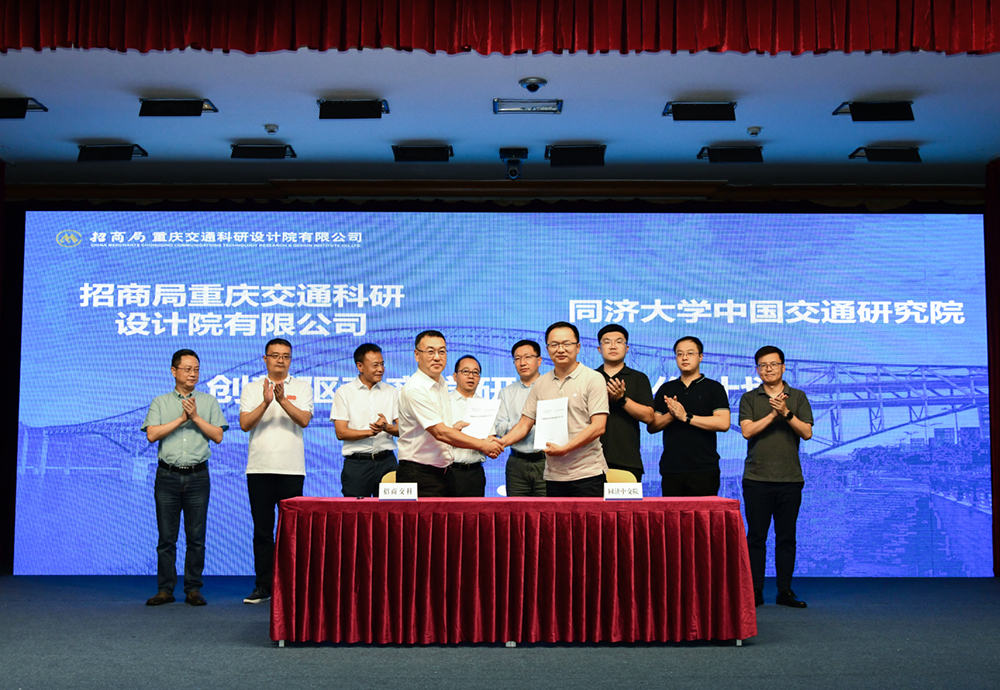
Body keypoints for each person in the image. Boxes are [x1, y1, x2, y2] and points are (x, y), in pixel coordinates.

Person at [141, 349, 228, 607]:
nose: (193, 374)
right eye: (188, 369)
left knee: (196, 537)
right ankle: (165, 590)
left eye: (196, 369)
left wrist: (196, 417)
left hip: (198, 476)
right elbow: (152, 435)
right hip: (167, 476)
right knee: (166, 538)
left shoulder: (208, 401)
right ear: (174, 371)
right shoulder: (160, 402)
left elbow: (218, 436)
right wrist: (181, 419)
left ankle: (193, 589)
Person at [239, 338, 314, 604]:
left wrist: (282, 400)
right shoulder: (251, 388)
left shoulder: (302, 387)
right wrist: (265, 402)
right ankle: (263, 585)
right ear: (265, 359)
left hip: (291, 470)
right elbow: (245, 424)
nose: (280, 360)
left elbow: (304, 420)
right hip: (259, 469)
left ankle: (291, 585)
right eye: (275, 355)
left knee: (292, 533)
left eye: (286, 356)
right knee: (262, 531)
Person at [739, 345, 814, 609]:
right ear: (757, 370)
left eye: (773, 364)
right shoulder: (749, 398)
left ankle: (784, 591)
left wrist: (787, 413)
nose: (768, 369)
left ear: (783, 367)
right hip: (756, 478)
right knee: (756, 538)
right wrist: (773, 414)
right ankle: (755, 591)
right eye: (763, 365)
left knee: (786, 538)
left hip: (790, 479)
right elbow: (747, 431)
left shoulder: (798, 397)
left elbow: (806, 433)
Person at [498, 322, 610, 497]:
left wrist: (565, 448)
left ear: (578, 347)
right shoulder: (541, 384)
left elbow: (598, 426)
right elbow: (524, 424)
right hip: (553, 475)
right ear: (547, 349)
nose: (561, 349)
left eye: (567, 343)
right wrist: (500, 444)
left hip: (588, 473)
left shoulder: (593, 378)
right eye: (554, 345)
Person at [396, 330, 502, 496]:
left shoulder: (441, 383)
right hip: (419, 472)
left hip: (443, 471)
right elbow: (440, 433)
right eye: (430, 352)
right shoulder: (415, 389)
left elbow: (436, 429)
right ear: (417, 355)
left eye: (442, 351)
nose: (437, 357)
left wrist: (452, 429)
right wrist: (483, 445)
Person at [649, 336, 730, 496]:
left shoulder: (714, 388)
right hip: (671, 468)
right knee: (672, 513)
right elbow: (652, 426)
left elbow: (723, 423)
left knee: (704, 513)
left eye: (690, 353)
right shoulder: (666, 388)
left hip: (705, 468)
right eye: (680, 354)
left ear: (701, 357)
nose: (684, 358)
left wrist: (686, 417)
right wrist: (673, 415)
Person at [332, 343, 399, 497]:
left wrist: (386, 428)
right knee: (356, 510)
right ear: (360, 366)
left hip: (387, 463)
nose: (380, 369)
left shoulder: (392, 392)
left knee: (391, 509)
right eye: (375, 365)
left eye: (382, 364)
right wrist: (371, 432)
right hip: (357, 464)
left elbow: (403, 430)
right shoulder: (344, 393)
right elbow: (341, 433)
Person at [595, 324, 654, 483]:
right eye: (607, 342)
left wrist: (622, 399)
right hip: (590, 461)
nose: (613, 346)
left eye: (619, 341)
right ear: (599, 349)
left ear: (627, 348)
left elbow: (649, 417)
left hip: (628, 460)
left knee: (625, 501)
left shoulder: (639, 378)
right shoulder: (590, 377)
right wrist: (604, 399)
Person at [495, 340, 546, 496]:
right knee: (517, 509)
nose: (522, 363)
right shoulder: (506, 393)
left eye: (528, 357)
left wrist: (521, 426)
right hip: (517, 463)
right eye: (517, 359)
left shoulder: (551, 388)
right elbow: (499, 428)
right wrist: (524, 424)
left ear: (539, 360)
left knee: (547, 509)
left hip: (547, 461)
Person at [448, 355, 489, 497]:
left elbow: (490, 437)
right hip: (448, 472)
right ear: (455, 376)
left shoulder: (486, 405)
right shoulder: (444, 402)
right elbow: (436, 435)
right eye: (465, 371)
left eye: (475, 372)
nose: (471, 376)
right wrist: (452, 431)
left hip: (475, 473)